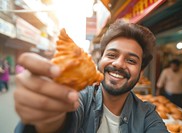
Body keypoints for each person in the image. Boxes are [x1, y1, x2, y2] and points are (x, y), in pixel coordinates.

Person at [14, 19, 169, 133]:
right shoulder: (80, 98)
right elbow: (65, 118)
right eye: (112, 55)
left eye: (131, 60)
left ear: (141, 72)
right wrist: (48, 120)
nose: (119, 64)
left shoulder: (148, 115)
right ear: (100, 61)